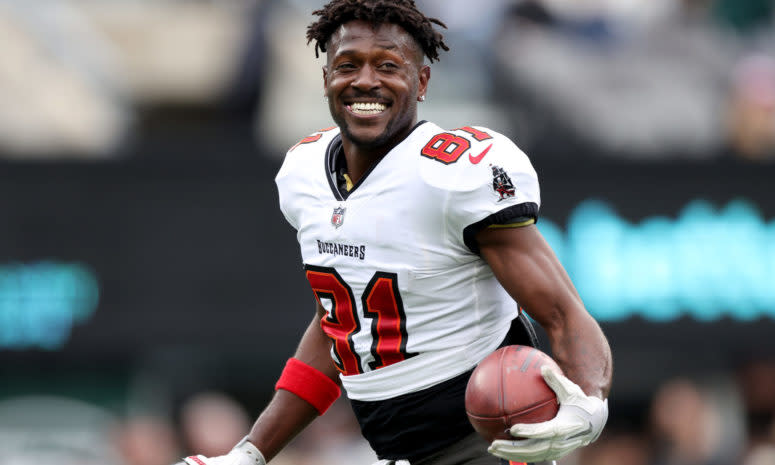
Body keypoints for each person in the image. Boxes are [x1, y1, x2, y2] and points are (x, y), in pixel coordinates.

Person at [176, 1, 612, 464]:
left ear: (421, 82)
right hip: (396, 451)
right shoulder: (303, 173)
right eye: (348, 65)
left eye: (387, 65)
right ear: (326, 79)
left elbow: (564, 312)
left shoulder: (453, 174)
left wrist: (590, 403)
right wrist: (251, 453)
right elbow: (342, 328)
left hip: (485, 443)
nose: (366, 80)